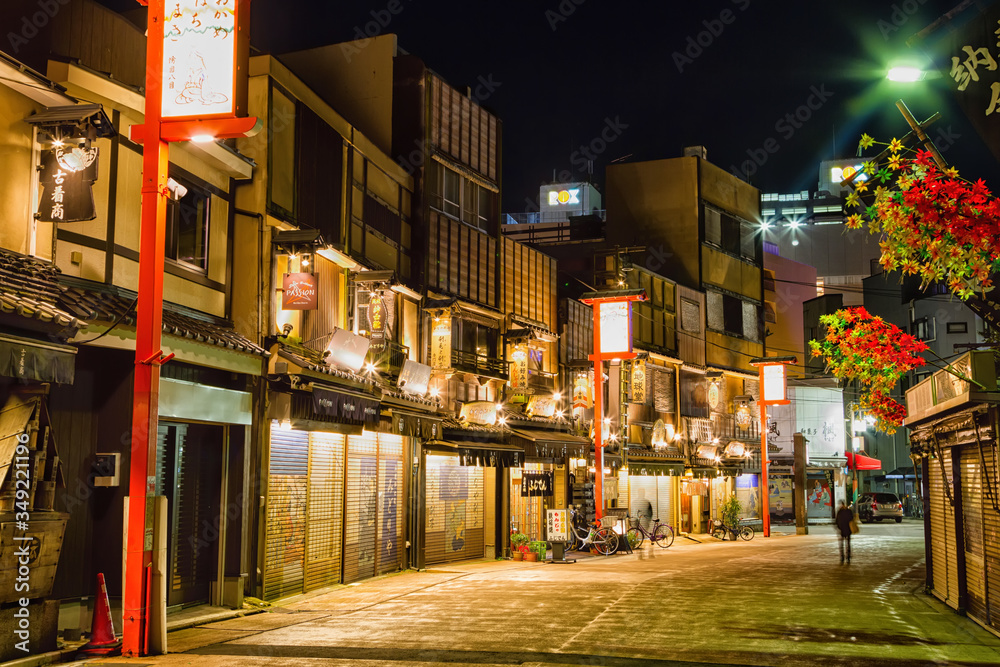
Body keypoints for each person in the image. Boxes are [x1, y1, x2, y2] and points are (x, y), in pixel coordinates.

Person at [835, 500, 853, 564]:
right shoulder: (848, 511)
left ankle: (842, 557)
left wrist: (839, 528)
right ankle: (848, 557)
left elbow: (837, 521)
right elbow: (851, 519)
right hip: (848, 530)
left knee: (842, 544)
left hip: (842, 530)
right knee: (848, 544)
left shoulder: (840, 512)